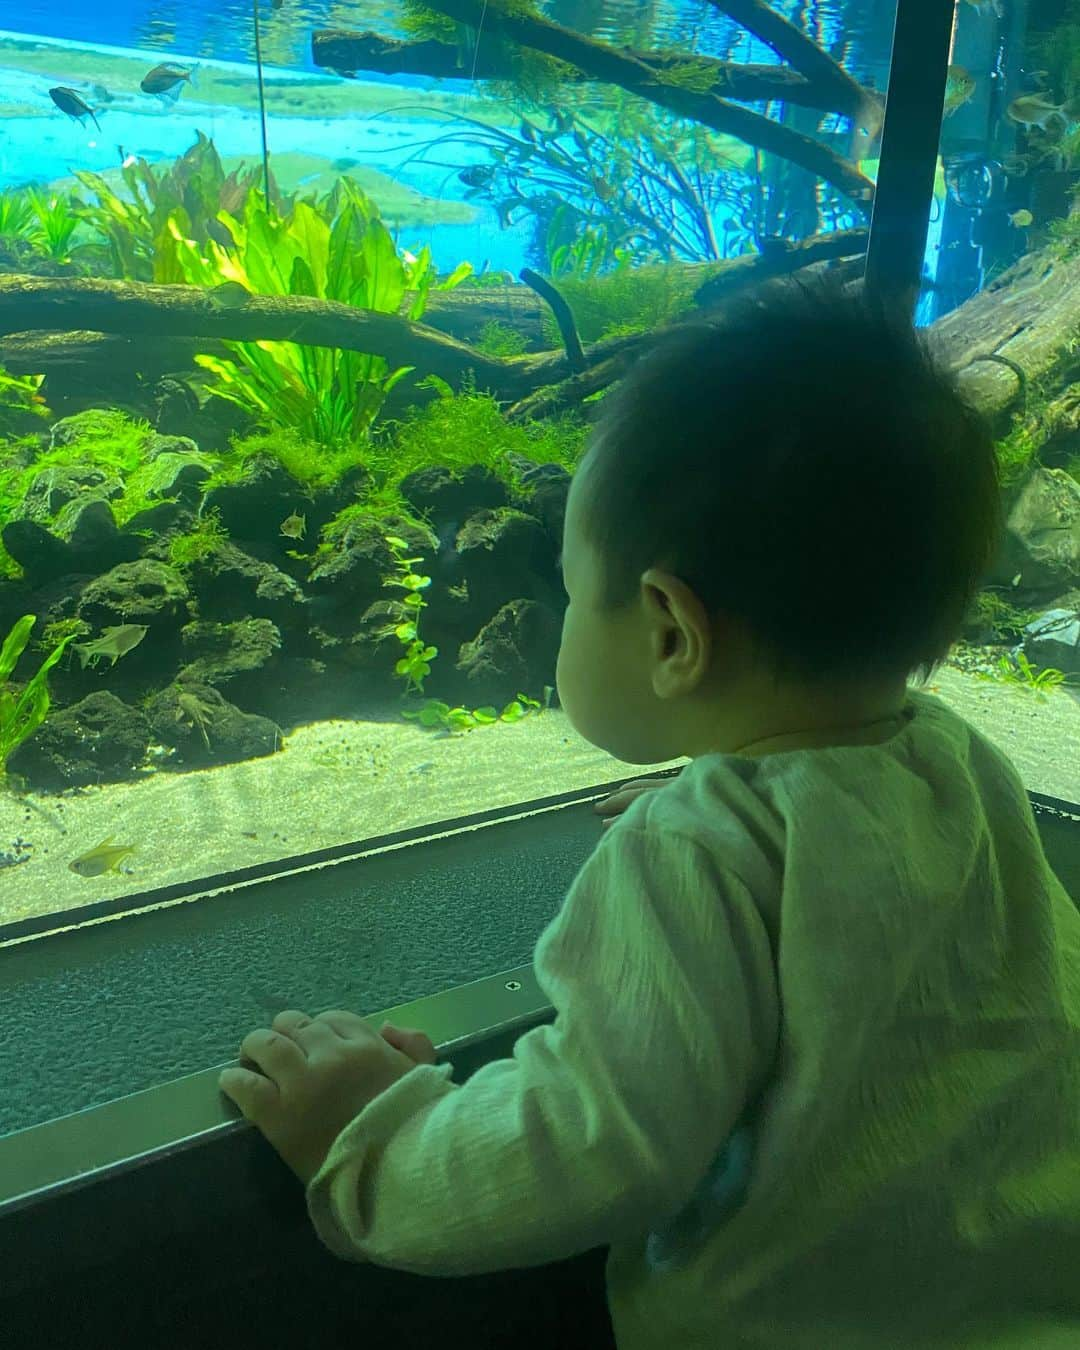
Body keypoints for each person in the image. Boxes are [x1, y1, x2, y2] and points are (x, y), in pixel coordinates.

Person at [220, 279, 1080, 1348]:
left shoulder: (690, 857)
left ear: (672, 633)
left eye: (577, 591)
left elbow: (591, 1144)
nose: (568, 615)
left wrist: (376, 1138)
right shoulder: (959, 762)